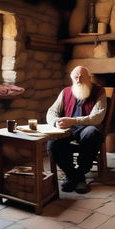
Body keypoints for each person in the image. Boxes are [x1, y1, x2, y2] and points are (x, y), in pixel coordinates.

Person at [46, 66, 107, 194]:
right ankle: (73, 176)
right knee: (52, 143)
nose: (78, 80)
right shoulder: (66, 92)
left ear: (89, 78)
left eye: (82, 76)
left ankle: (79, 174)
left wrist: (74, 121)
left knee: (92, 134)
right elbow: (52, 111)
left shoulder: (99, 91)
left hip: (88, 127)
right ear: (71, 78)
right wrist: (55, 122)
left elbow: (97, 117)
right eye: (75, 77)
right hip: (68, 130)